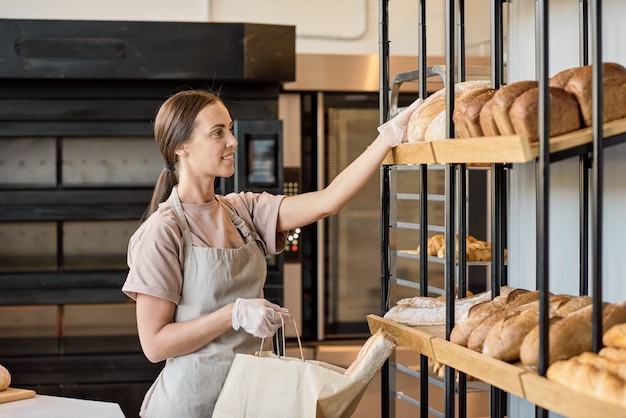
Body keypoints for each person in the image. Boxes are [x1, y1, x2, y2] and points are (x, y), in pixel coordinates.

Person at [121, 89, 421, 417]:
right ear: (182, 147)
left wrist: (387, 137)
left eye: (230, 129)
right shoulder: (162, 232)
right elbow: (154, 345)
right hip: (190, 406)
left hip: (249, 402)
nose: (233, 141)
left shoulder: (242, 210)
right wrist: (232, 313)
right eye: (218, 133)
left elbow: (328, 201)